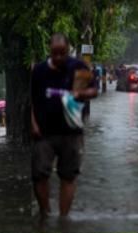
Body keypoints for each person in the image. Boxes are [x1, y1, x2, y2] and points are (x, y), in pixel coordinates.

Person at [30, 33, 98, 219]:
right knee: (39, 173)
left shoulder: (78, 68)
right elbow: (32, 100)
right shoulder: (40, 71)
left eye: (63, 53)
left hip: (72, 132)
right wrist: (33, 123)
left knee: (68, 176)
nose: (59, 57)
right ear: (49, 51)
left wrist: (81, 93)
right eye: (55, 53)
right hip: (44, 132)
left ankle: (63, 219)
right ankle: (45, 213)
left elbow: (93, 91)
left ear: (68, 50)